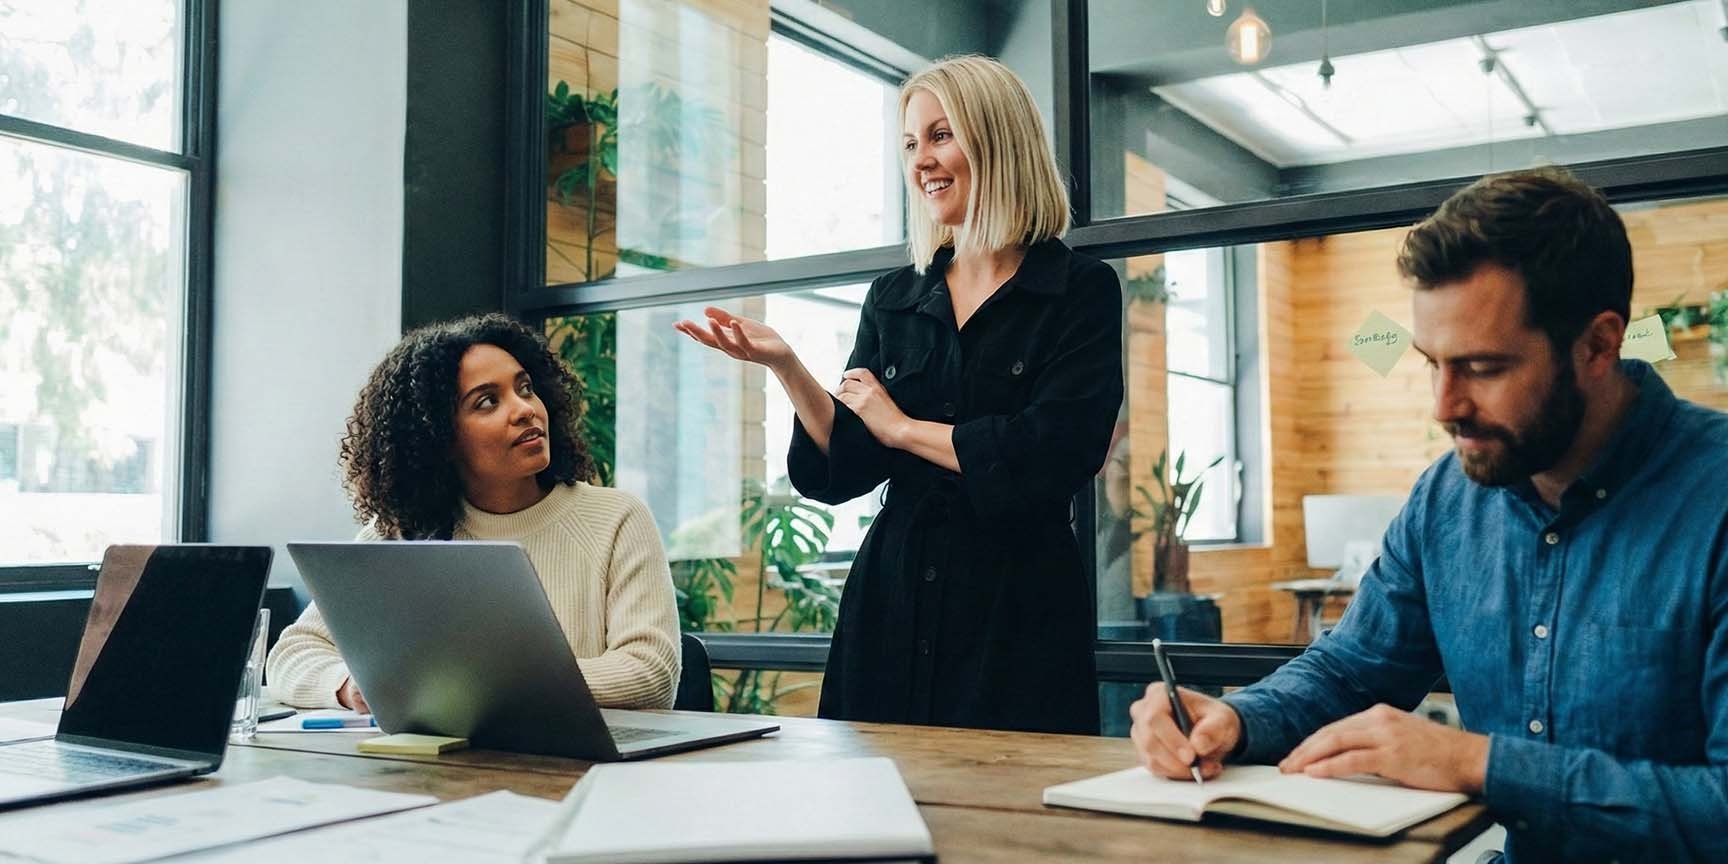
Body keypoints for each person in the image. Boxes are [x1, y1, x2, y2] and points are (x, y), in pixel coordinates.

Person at [1129, 168, 1728, 862]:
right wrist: (1234, 718)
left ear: (1597, 344)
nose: (1444, 407)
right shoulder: (1448, 499)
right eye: (1430, 364)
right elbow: (1350, 672)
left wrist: (1480, 764)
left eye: (1483, 367)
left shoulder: (1712, 498)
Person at [674, 55, 1123, 734]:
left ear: (998, 140)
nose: (922, 161)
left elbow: (1054, 453)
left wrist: (904, 429)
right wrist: (789, 368)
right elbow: (847, 463)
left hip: (1017, 606)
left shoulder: (1080, 290)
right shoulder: (894, 296)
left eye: (941, 136)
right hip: (893, 597)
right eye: (912, 143)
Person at [266, 314, 681, 712]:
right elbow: (291, 655)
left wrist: (476, 686)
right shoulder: (401, 534)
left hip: (577, 772)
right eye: (487, 402)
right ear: (439, 438)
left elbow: (650, 671)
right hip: (437, 772)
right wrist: (351, 685)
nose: (524, 409)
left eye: (525, 388)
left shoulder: (616, 519)